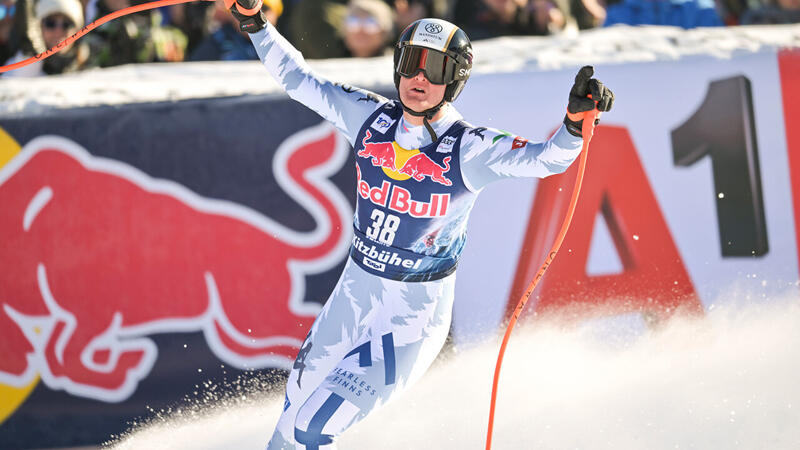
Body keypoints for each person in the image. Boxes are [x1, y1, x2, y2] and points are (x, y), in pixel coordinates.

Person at [227, 1, 614, 447]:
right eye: (412, 62)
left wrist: (574, 123)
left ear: (456, 81)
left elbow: (548, 160)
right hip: (354, 293)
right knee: (292, 418)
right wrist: (255, 23)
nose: (420, 79)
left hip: (411, 316)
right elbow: (299, 80)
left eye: (437, 68)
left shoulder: (469, 148)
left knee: (312, 427)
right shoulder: (369, 116)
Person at [3, 0, 89, 76]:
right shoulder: (22, 66)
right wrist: (31, 51)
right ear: (37, 28)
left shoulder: (92, 62)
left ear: (78, 30)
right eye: (50, 23)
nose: (58, 31)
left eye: (66, 24)